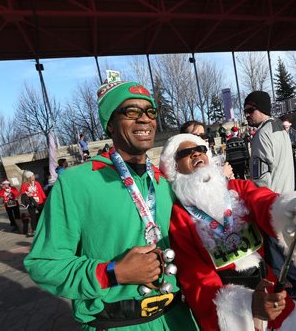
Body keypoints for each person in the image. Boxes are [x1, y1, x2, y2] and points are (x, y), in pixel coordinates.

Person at [24, 81, 198, 330]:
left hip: (177, 319)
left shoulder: (164, 182)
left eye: (150, 112)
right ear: (110, 124)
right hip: (115, 324)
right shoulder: (76, 182)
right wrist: (112, 272)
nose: (144, 119)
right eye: (131, 112)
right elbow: (44, 264)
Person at [159, 133, 296, 330]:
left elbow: (264, 202)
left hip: (267, 285)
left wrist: (291, 207)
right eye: (185, 152)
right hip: (228, 301)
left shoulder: (237, 188)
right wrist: (246, 306)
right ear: (173, 166)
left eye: (200, 149)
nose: (196, 154)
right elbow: (194, 276)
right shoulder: (179, 216)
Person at [243, 90, 296, 300]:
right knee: (284, 248)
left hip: (271, 203)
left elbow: (260, 177)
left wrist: (255, 203)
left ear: (262, 109)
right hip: (286, 197)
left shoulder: (262, 135)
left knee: (276, 254)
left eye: (250, 110)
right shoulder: (280, 130)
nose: (247, 115)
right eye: (245, 110)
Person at [20, 171, 46, 236]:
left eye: (34, 175)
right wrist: (28, 195)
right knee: (33, 216)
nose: (34, 176)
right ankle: (34, 229)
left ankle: (43, 227)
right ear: (29, 177)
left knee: (41, 214)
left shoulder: (37, 183)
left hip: (40, 201)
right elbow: (23, 194)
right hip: (31, 202)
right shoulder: (24, 185)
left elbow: (41, 191)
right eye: (33, 175)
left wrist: (45, 199)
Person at [282, 119, 296, 190]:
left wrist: (293, 144)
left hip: (291, 155)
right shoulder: (280, 136)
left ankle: (295, 187)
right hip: (284, 157)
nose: (286, 129)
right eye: (285, 127)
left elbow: (295, 144)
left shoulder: (291, 135)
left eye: (287, 127)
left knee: (294, 172)